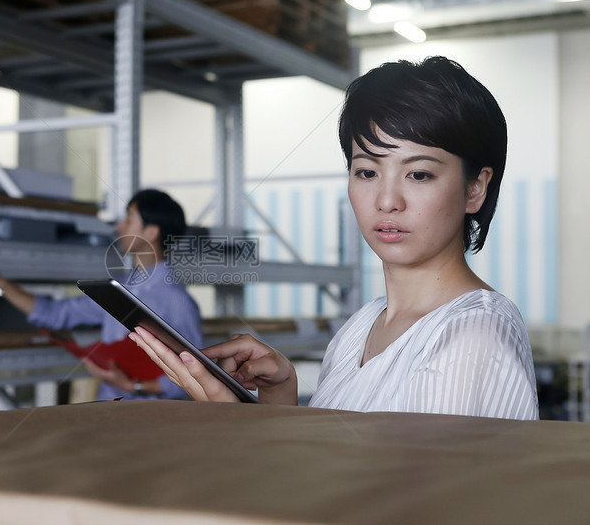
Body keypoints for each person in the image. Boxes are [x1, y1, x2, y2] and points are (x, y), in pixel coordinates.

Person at [130, 56, 539, 421]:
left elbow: (399, 505)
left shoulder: (473, 336)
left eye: (419, 174)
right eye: (366, 171)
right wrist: (280, 394)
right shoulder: (359, 329)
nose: (387, 200)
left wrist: (239, 426)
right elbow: (335, 463)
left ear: (475, 189)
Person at [0, 189, 202, 401]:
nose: (120, 227)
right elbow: (55, 314)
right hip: (109, 408)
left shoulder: (177, 300)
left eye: (129, 220)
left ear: (150, 232)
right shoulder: (118, 289)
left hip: (152, 419)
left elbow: (194, 375)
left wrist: (135, 386)